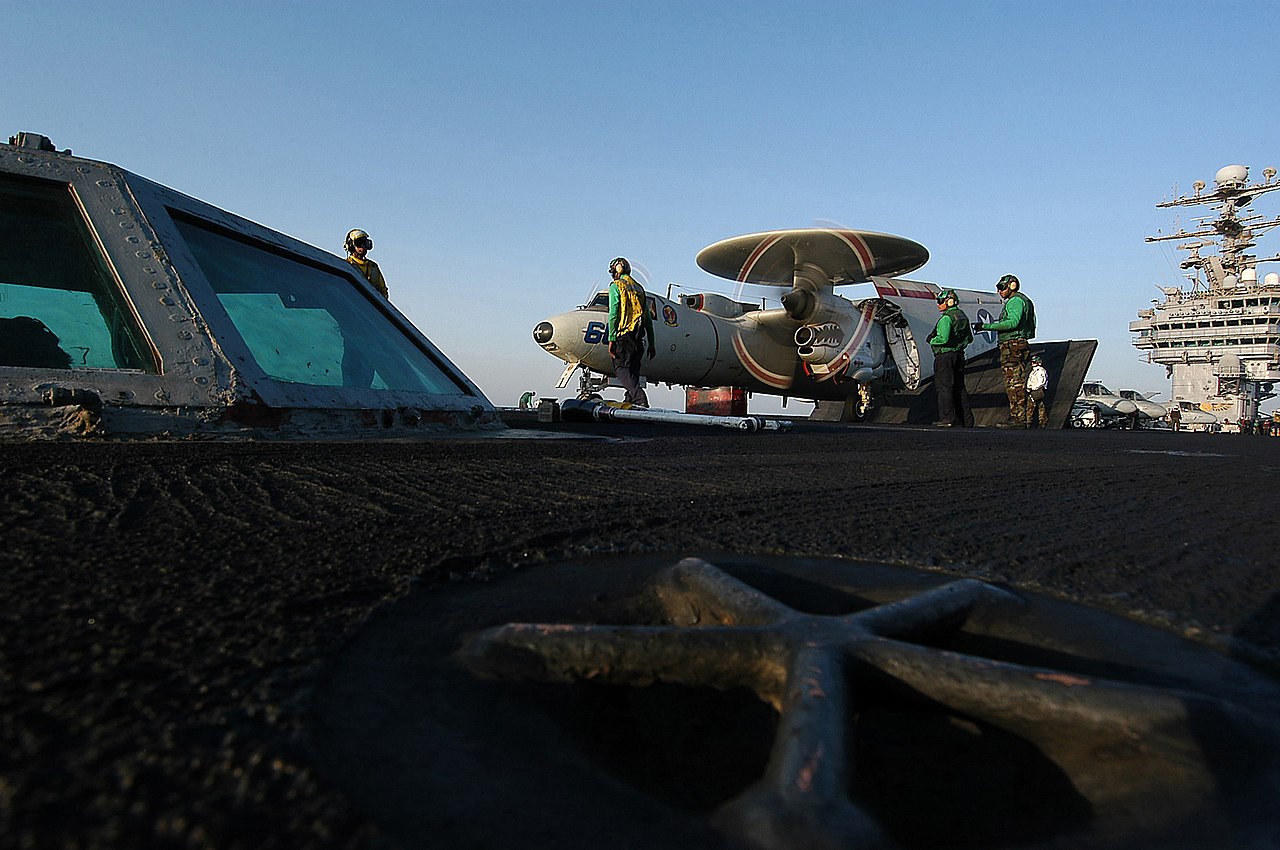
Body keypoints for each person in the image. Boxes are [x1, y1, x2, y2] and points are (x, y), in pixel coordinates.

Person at [973, 274, 1036, 428]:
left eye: (1002, 287)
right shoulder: (1024, 300)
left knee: (1013, 383)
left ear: (1012, 286)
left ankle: (1018, 419)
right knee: (1018, 381)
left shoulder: (1015, 301)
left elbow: (1012, 323)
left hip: (1012, 345)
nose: (999, 291)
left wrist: (986, 326)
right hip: (1019, 343)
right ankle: (1022, 418)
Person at [606, 257, 656, 407]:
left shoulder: (616, 286)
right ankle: (631, 401)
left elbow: (614, 313)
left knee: (620, 368)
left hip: (624, 335)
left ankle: (640, 400)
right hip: (638, 337)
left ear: (616, 270)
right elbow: (647, 318)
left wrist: (611, 338)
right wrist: (652, 343)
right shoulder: (639, 288)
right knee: (633, 371)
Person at [926, 289, 974, 427]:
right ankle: (967, 420)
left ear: (949, 302)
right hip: (959, 355)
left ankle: (947, 419)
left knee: (944, 387)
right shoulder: (962, 316)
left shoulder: (946, 318)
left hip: (945, 357)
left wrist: (931, 340)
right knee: (960, 388)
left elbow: (944, 338)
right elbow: (969, 338)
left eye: (940, 301)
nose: (938, 304)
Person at [344, 229, 389, 298]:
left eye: (365, 243)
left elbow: (383, 291)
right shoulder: (346, 265)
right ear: (350, 245)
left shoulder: (373, 267)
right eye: (359, 243)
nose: (363, 246)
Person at [1026, 354, 1049, 428]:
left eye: (1034, 362)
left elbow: (1041, 381)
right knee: (1035, 406)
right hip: (1032, 390)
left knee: (1036, 406)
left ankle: (1040, 422)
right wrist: (1028, 387)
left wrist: (1034, 388)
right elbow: (1030, 380)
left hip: (1038, 390)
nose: (1032, 363)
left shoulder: (1041, 371)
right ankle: (1030, 421)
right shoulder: (1033, 371)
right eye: (1032, 362)